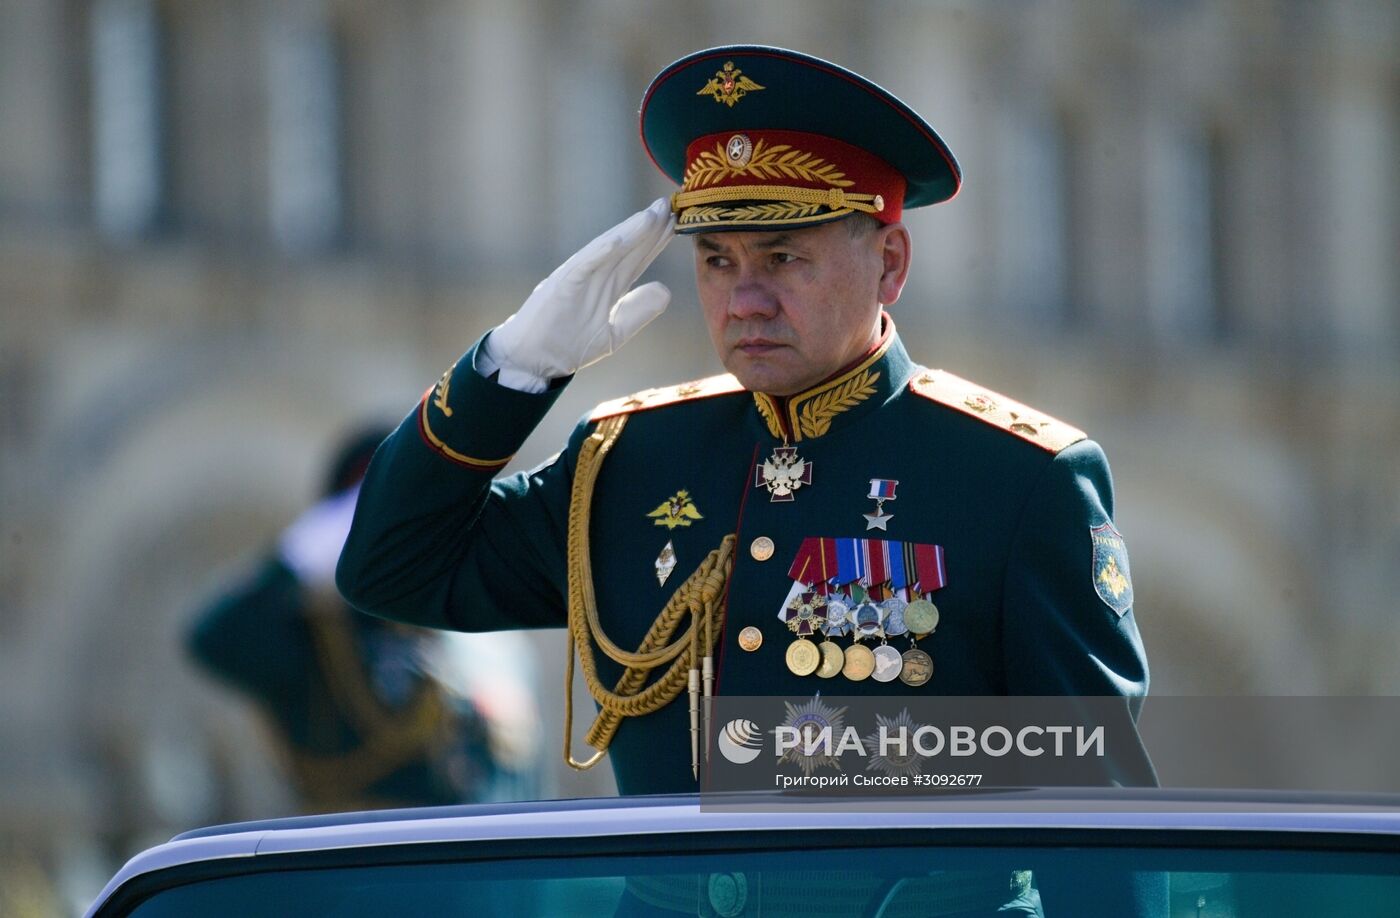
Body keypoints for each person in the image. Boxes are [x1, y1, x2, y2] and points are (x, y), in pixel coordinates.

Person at [336, 45, 1153, 797]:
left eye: (783, 258)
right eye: (717, 261)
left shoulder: (1017, 476)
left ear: (890, 264)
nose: (744, 300)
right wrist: (511, 370)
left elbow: (1095, 799)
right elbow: (392, 570)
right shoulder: (628, 459)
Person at [187, 426, 501, 812]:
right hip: (356, 850)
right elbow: (214, 639)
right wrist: (296, 559)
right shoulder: (318, 636)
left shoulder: (449, 625)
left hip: (462, 847)